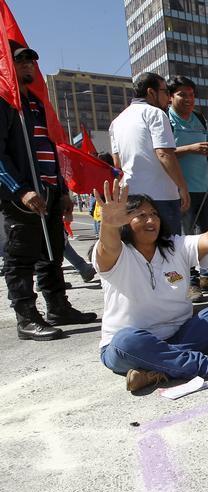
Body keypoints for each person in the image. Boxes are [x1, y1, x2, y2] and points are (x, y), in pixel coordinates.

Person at [92, 178, 208, 392]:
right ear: (125, 222)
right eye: (141, 215)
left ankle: (155, 370)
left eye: (153, 213)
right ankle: (207, 364)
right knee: (126, 341)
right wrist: (108, 225)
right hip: (129, 346)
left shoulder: (175, 246)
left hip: (179, 335)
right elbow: (108, 247)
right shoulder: (118, 254)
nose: (151, 219)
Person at [0, 42, 96, 341]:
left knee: (52, 253)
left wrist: (64, 189)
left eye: (31, 60)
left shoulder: (37, 104)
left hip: (50, 191)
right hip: (22, 197)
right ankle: (26, 317)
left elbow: (51, 150)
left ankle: (57, 307)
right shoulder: (5, 104)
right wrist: (21, 190)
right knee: (20, 258)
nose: (28, 65)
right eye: (21, 60)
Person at [109, 72, 189, 235]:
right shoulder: (155, 114)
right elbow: (164, 154)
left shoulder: (116, 122)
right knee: (168, 249)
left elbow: (117, 163)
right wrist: (182, 187)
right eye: (166, 92)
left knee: (140, 251)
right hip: (161, 197)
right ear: (151, 92)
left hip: (131, 198)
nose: (168, 97)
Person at [167, 76, 208, 297]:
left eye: (191, 94)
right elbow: (163, 153)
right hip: (181, 190)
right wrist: (190, 148)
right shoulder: (165, 119)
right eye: (182, 94)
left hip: (206, 188)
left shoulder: (199, 118)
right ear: (170, 97)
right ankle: (190, 281)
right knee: (185, 238)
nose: (189, 99)